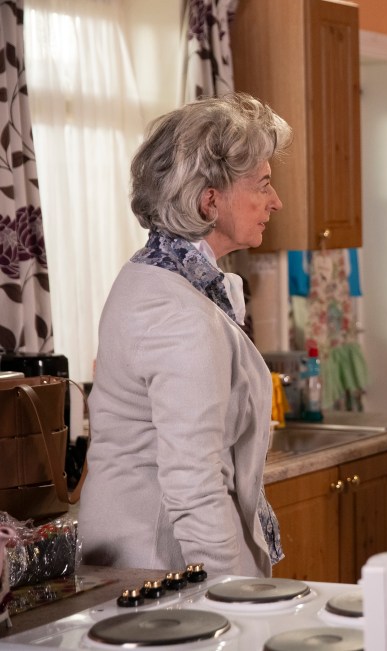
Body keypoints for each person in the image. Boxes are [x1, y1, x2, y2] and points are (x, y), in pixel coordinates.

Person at [79, 93, 292, 577]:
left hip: (140, 553)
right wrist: (239, 597)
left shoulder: (153, 276)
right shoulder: (177, 312)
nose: (275, 202)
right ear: (209, 199)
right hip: (160, 563)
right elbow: (196, 486)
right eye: (262, 185)